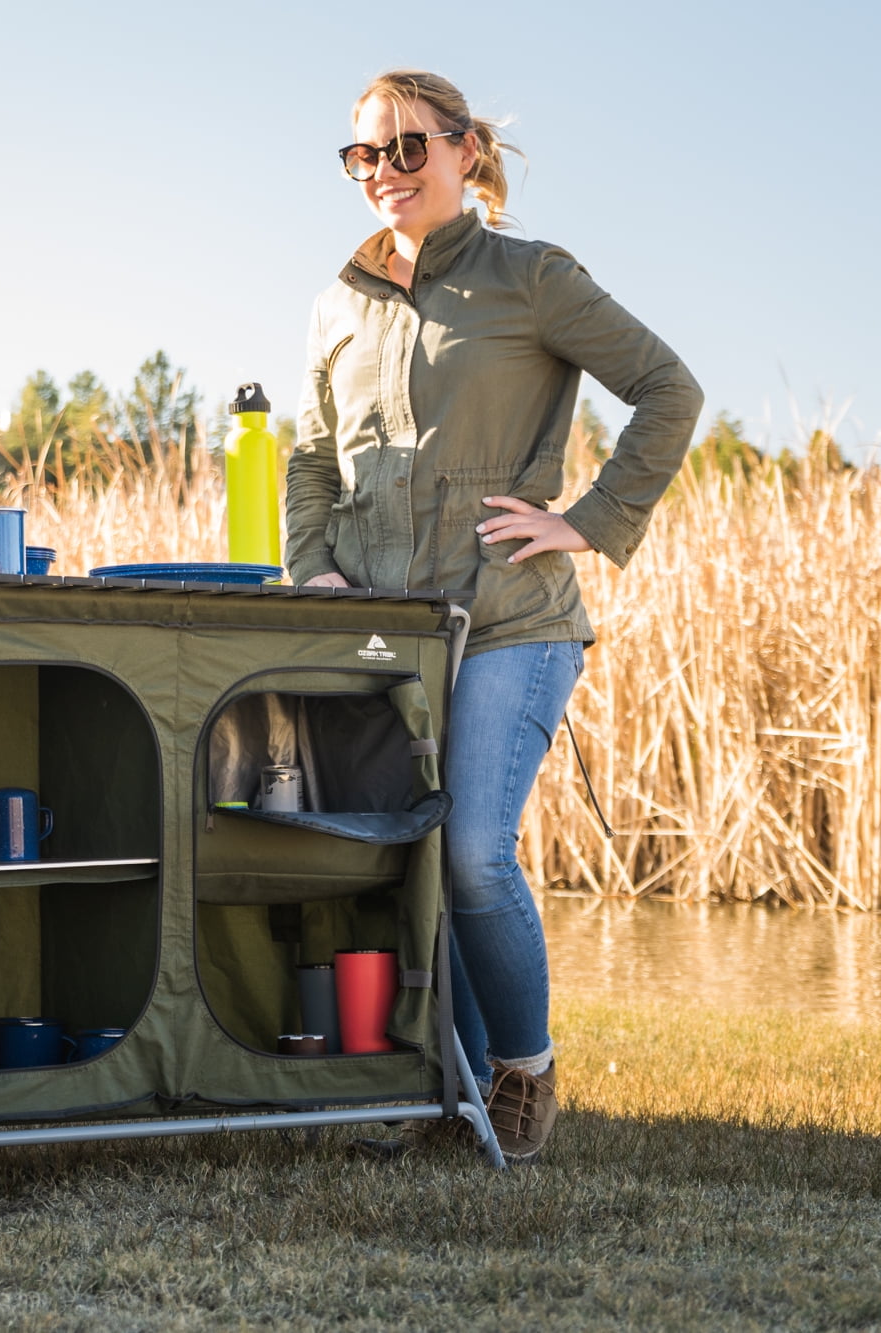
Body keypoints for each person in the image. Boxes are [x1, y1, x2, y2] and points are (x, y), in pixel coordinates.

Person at [285, 70, 703, 1163]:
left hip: (511, 621)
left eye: (407, 149)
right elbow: (310, 459)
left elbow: (668, 389)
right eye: (363, 156)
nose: (383, 173)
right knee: (410, 861)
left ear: (465, 152)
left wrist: (591, 518)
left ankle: (522, 1070)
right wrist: (311, 571)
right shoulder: (338, 303)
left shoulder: (533, 278)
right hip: (381, 631)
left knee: (472, 853)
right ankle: (451, 1093)